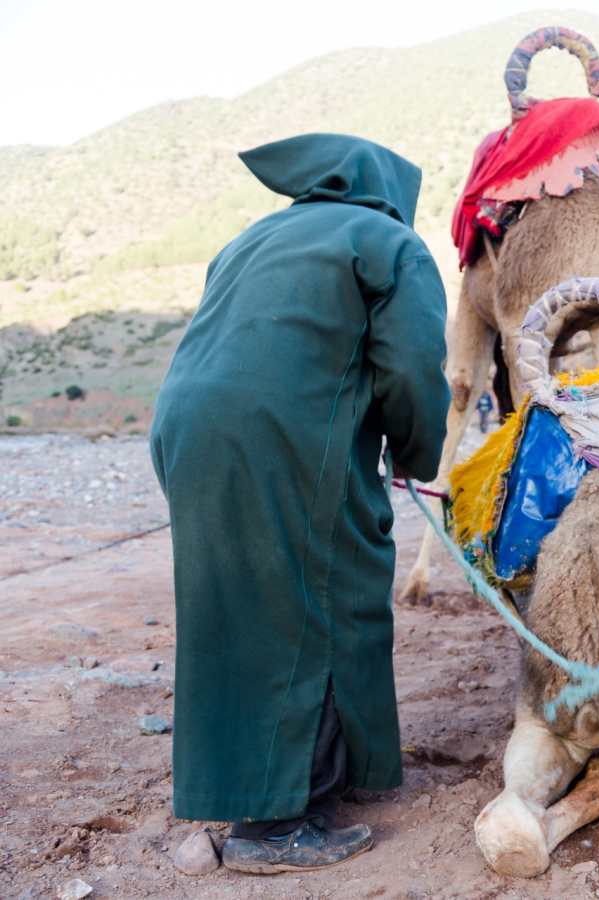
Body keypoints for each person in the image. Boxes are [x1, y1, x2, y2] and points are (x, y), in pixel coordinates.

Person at [150, 133, 450, 874]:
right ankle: (274, 825)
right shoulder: (388, 241)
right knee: (316, 604)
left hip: (186, 427)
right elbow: (412, 367)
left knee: (239, 605)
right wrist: (416, 456)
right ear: (388, 190)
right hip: (280, 433)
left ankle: (298, 780)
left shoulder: (252, 238)